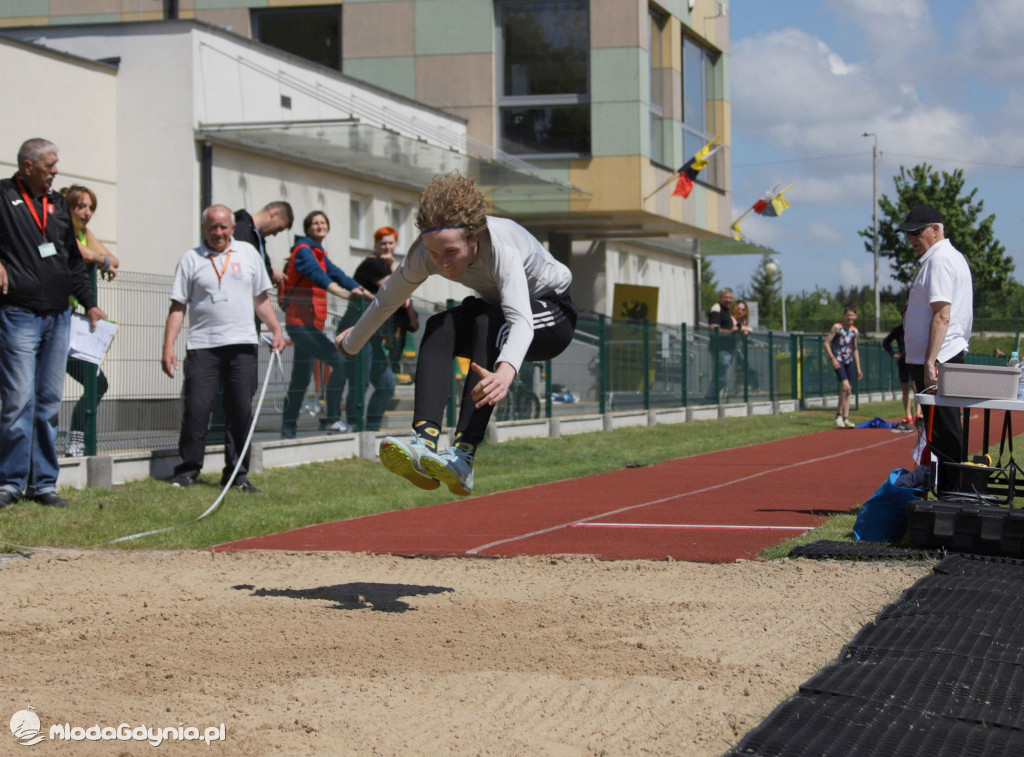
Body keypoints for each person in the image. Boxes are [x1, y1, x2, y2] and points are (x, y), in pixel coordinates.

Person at [336, 172, 577, 496]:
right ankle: (424, 443)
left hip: (552, 316)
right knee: (439, 325)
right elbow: (387, 300)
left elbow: (520, 321)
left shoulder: (500, 245)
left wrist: (505, 373)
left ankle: (463, 456)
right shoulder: (425, 252)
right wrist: (351, 345)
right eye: (435, 254)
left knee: (490, 324)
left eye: (450, 252)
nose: (443, 263)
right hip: (497, 316)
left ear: (475, 237)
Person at [0, 138, 106, 509]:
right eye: (49, 166)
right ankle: (10, 482)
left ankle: (43, 483)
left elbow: (74, 262)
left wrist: (90, 304)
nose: (56, 172)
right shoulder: (3, 195)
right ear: (27, 166)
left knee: (47, 402)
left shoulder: (59, 204)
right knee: (17, 401)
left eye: (56, 164)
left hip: (59, 316)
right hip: (18, 313)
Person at [161, 204, 285, 492]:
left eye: (223, 226)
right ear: (204, 228)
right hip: (203, 347)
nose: (218, 232)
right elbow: (177, 307)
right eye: (212, 227)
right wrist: (168, 347)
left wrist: (277, 328)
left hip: (242, 345)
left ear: (232, 228)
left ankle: (237, 474)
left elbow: (261, 299)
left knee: (240, 410)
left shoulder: (249, 254)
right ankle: (188, 470)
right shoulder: (191, 260)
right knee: (197, 408)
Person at [899, 204, 973, 491]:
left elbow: (942, 314)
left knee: (942, 427)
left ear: (935, 229)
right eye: (908, 234)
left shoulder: (939, 261)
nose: (912, 239)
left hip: (939, 357)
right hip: (941, 355)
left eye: (917, 232)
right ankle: (946, 486)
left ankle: (952, 490)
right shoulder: (945, 258)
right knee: (939, 426)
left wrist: (930, 361)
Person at [279, 210, 368, 439]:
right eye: (315, 223)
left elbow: (337, 273)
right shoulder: (304, 252)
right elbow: (318, 275)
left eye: (323, 222)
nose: (319, 226)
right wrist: (343, 294)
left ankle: (288, 428)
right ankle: (332, 419)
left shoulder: (318, 253)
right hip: (300, 325)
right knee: (338, 361)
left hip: (311, 325)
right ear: (308, 228)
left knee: (300, 378)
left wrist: (362, 291)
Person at [62, 184, 119, 456]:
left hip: (75, 322)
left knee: (97, 382)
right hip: (55, 319)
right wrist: (101, 261)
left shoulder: (84, 232)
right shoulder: (60, 229)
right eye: (80, 206)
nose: (86, 213)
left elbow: (114, 259)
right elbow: (84, 255)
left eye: (91, 207)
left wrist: (103, 260)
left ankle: (76, 440)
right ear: (67, 207)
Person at [335, 226, 408, 430]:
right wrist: (394, 266)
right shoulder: (372, 264)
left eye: (390, 243)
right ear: (376, 245)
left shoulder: (385, 266)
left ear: (395, 245)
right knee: (361, 381)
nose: (386, 247)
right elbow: (396, 287)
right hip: (357, 331)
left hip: (375, 335)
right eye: (382, 243)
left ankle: (372, 428)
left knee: (386, 384)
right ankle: (353, 425)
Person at [233, 201, 293, 286]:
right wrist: (271, 273)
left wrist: (269, 273)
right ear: (274, 213)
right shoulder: (242, 229)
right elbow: (239, 266)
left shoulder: (257, 236)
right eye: (279, 228)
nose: (275, 234)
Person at [824, 307, 863, 429]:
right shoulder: (837, 327)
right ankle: (838, 416)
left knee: (849, 390)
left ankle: (846, 418)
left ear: (856, 317)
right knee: (845, 387)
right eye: (848, 315)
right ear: (844, 316)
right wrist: (833, 358)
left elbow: (855, 349)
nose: (850, 318)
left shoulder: (854, 331)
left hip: (849, 361)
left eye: (852, 315)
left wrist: (858, 367)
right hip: (839, 361)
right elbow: (826, 343)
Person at [882, 316, 917, 432]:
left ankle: (919, 413)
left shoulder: (916, 329)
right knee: (905, 388)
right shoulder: (898, 330)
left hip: (915, 361)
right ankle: (908, 414)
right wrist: (893, 354)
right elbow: (886, 342)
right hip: (903, 361)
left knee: (917, 388)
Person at [703, 288, 737, 401]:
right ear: (720, 297)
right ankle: (710, 397)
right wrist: (730, 332)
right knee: (724, 376)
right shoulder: (716, 308)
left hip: (728, 348)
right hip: (720, 348)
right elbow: (713, 328)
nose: (728, 300)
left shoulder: (727, 310)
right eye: (726, 297)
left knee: (721, 375)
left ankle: (713, 398)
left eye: (730, 298)